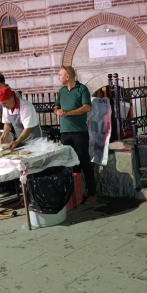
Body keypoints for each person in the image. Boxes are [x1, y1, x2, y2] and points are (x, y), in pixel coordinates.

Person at [53, 66, 96, 204]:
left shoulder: (82, 89)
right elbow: (55, 106)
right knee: (70, 162)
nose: (58, 77)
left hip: (79, 132)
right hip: (65, 132)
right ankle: (75, 193)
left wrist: (69, 113)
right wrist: (58, 111)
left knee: (84, 162)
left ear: (68, 76)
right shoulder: (61, 91)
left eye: (60, 75)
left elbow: (87, 107)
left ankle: (92, 192)